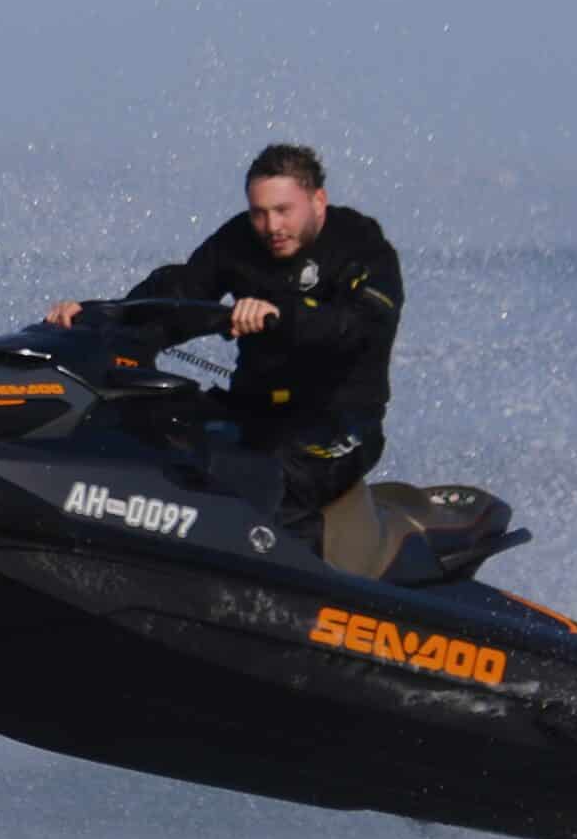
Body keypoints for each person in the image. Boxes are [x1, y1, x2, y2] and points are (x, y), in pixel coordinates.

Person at [47, 144, 403, 547]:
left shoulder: (361, 245)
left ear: (317, 200)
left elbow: (363, 325)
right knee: (147, 439)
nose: (271, 226)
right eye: (259, 212)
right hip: (253, 411)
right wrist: (99, 318)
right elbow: (181, 295)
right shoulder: (240, 240)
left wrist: (283, 314)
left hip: (337, 423)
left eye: (283, 210)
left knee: (268, 483)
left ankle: (301, 591)